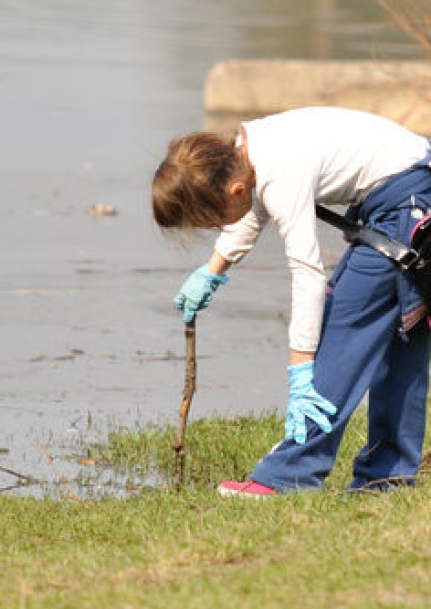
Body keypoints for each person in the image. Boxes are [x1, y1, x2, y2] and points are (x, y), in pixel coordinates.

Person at [152, 106, 431, 497]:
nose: (220, 228)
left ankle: (288, 477)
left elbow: (307, 274)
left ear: (231, 190)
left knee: (341, 331)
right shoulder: (246, 153)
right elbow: (251, 210)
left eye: (215, 221)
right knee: (399, 338)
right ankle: (388, 478)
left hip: (405, 206)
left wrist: (301, 372)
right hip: (411, 192)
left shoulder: (278, 170)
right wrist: (212, 271)